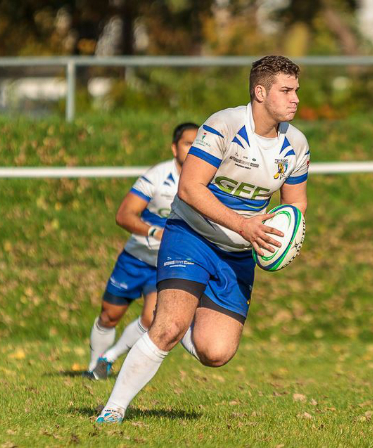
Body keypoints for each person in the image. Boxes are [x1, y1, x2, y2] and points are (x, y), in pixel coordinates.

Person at [96, 55, 310, 423]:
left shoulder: (297, 145)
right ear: (260, 92)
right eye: (286, 90)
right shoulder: (225, 125)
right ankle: (113, 410)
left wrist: (283, 240)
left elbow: (296, 204)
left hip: (238, 254)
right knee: (166, 327)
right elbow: (190, 188)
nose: (295, 99)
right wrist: (244, 224)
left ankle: (182, 323)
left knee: (216, 353)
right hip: (191, 235)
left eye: (296, 91)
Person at [85, 122, 199, 380]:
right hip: (135, 258)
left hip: (167, 263)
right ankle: (92, 365)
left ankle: (107, 360)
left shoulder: (207, 180)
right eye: (187, 143)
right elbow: (124, 214)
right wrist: (154, 232)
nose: (193, 149)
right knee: (109, 315)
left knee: (152, 318)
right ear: (174, 148)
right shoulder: (158, 176)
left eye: (198, 144)